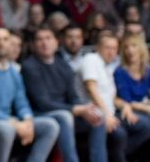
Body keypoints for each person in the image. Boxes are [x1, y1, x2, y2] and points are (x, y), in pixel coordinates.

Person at [0, 28, 60, 162]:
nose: (1, 43)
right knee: (7, 129)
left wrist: (28, 120)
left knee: (50, 125)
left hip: (10, 120)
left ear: (10, 43)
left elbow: (21, 101)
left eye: (5, 39)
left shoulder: (13, 71)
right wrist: (13, 122)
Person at [21, 27, 108, 162]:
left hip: (65, 112)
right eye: (39, 39)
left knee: (98, 115)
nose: (45, 43)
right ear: (33, 45)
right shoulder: (29, 66)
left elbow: (73, 97)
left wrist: (86, 108)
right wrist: (75, 109)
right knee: (64, 116)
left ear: (56, 42)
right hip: (39, 113)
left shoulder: (63, 65)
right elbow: (42, 103)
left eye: (48, 38)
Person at [80, 32, 150, 162]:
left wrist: (125, 105)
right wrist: (108, 115)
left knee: (128, 132)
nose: (111, 52)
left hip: (113, 112)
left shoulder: (107, 68)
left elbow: (113, 98)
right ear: (98, 47)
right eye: (107, 47)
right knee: (140, 127)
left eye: (114, 48)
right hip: (96, 113)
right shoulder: (92, 59)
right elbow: (91, 88)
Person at [114, 34, 150, 116]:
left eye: (134, 46)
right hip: (128, 111)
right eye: (126, 47)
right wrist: (145, 107)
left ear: (141, 49)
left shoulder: (147, 70)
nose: (130, 50)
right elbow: (128, 101)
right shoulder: (120, 72)